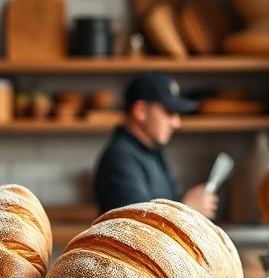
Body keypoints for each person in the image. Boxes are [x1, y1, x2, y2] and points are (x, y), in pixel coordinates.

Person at [92, 72, 218, 217]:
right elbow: (137, 227)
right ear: (141, 111)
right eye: (169, 112)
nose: (177, 123)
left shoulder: (152, 151)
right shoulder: (119, 159)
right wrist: (187, 209)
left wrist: (189, 202)